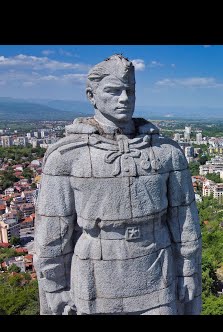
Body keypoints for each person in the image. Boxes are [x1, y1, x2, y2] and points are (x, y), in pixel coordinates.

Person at [33, 54, 202, 315]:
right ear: (92, 95)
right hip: (94, 276)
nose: (124, 98)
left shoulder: (167, 153)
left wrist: (188, 269)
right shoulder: (67, 156)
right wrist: (54, 286)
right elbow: (53, 231)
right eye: (113, 91)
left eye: (129, 90)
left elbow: (184, 219)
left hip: (157, 269)